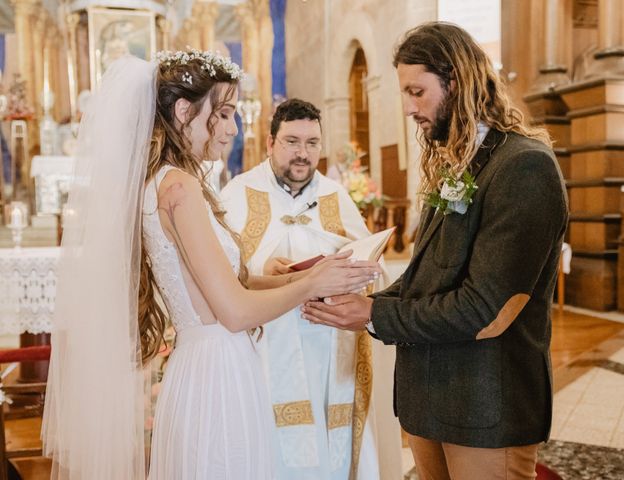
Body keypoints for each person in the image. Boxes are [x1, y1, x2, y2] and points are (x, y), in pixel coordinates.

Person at [41, 51, 380, 480]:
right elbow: (234, 312)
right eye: (223, 113)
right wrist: (312, 284)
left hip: (203, 365)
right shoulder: (180, 187)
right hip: (218, 374)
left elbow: (208, 284)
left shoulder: (163, 181)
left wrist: (297, 275)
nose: (233, 129)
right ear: (185, 111)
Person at [302, 22, 569, 480]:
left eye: (417, 92)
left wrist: (371, 314)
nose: (409, 108)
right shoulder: (456, 164)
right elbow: (428, 275)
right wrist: (352, 298)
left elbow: (486, 310)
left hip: (487, 410)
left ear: (458, 81)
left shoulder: (523, 167)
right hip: (429, 401)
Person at [221, 98, 381, 480]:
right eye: (292, 141)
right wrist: (263, 267)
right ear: (271, 141)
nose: (303, 153)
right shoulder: (238, 193)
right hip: (266, 345)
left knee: (330, 441)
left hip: (329, 346)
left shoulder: (335, 195)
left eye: (312, 143)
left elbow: (370, 266)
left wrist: (356, 271)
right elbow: (221, 271)